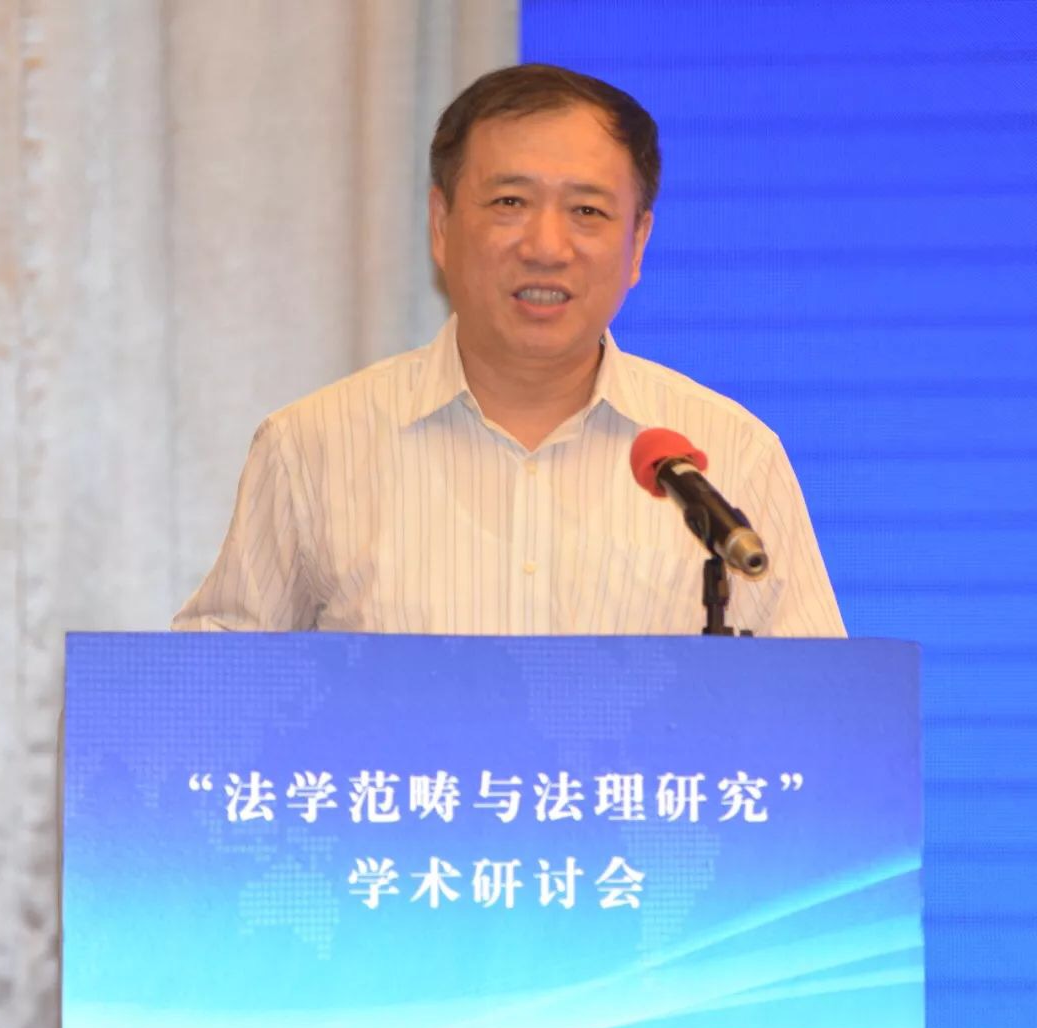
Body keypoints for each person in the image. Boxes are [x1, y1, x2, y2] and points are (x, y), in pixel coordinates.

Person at [173, 64, 845, 638]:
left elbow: (816, 714)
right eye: (510, 201)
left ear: (638, 242)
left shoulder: (732, 457)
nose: (546, 246)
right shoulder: (312, 448)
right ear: (442, 225)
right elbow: (215, 692)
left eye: (587, 211)